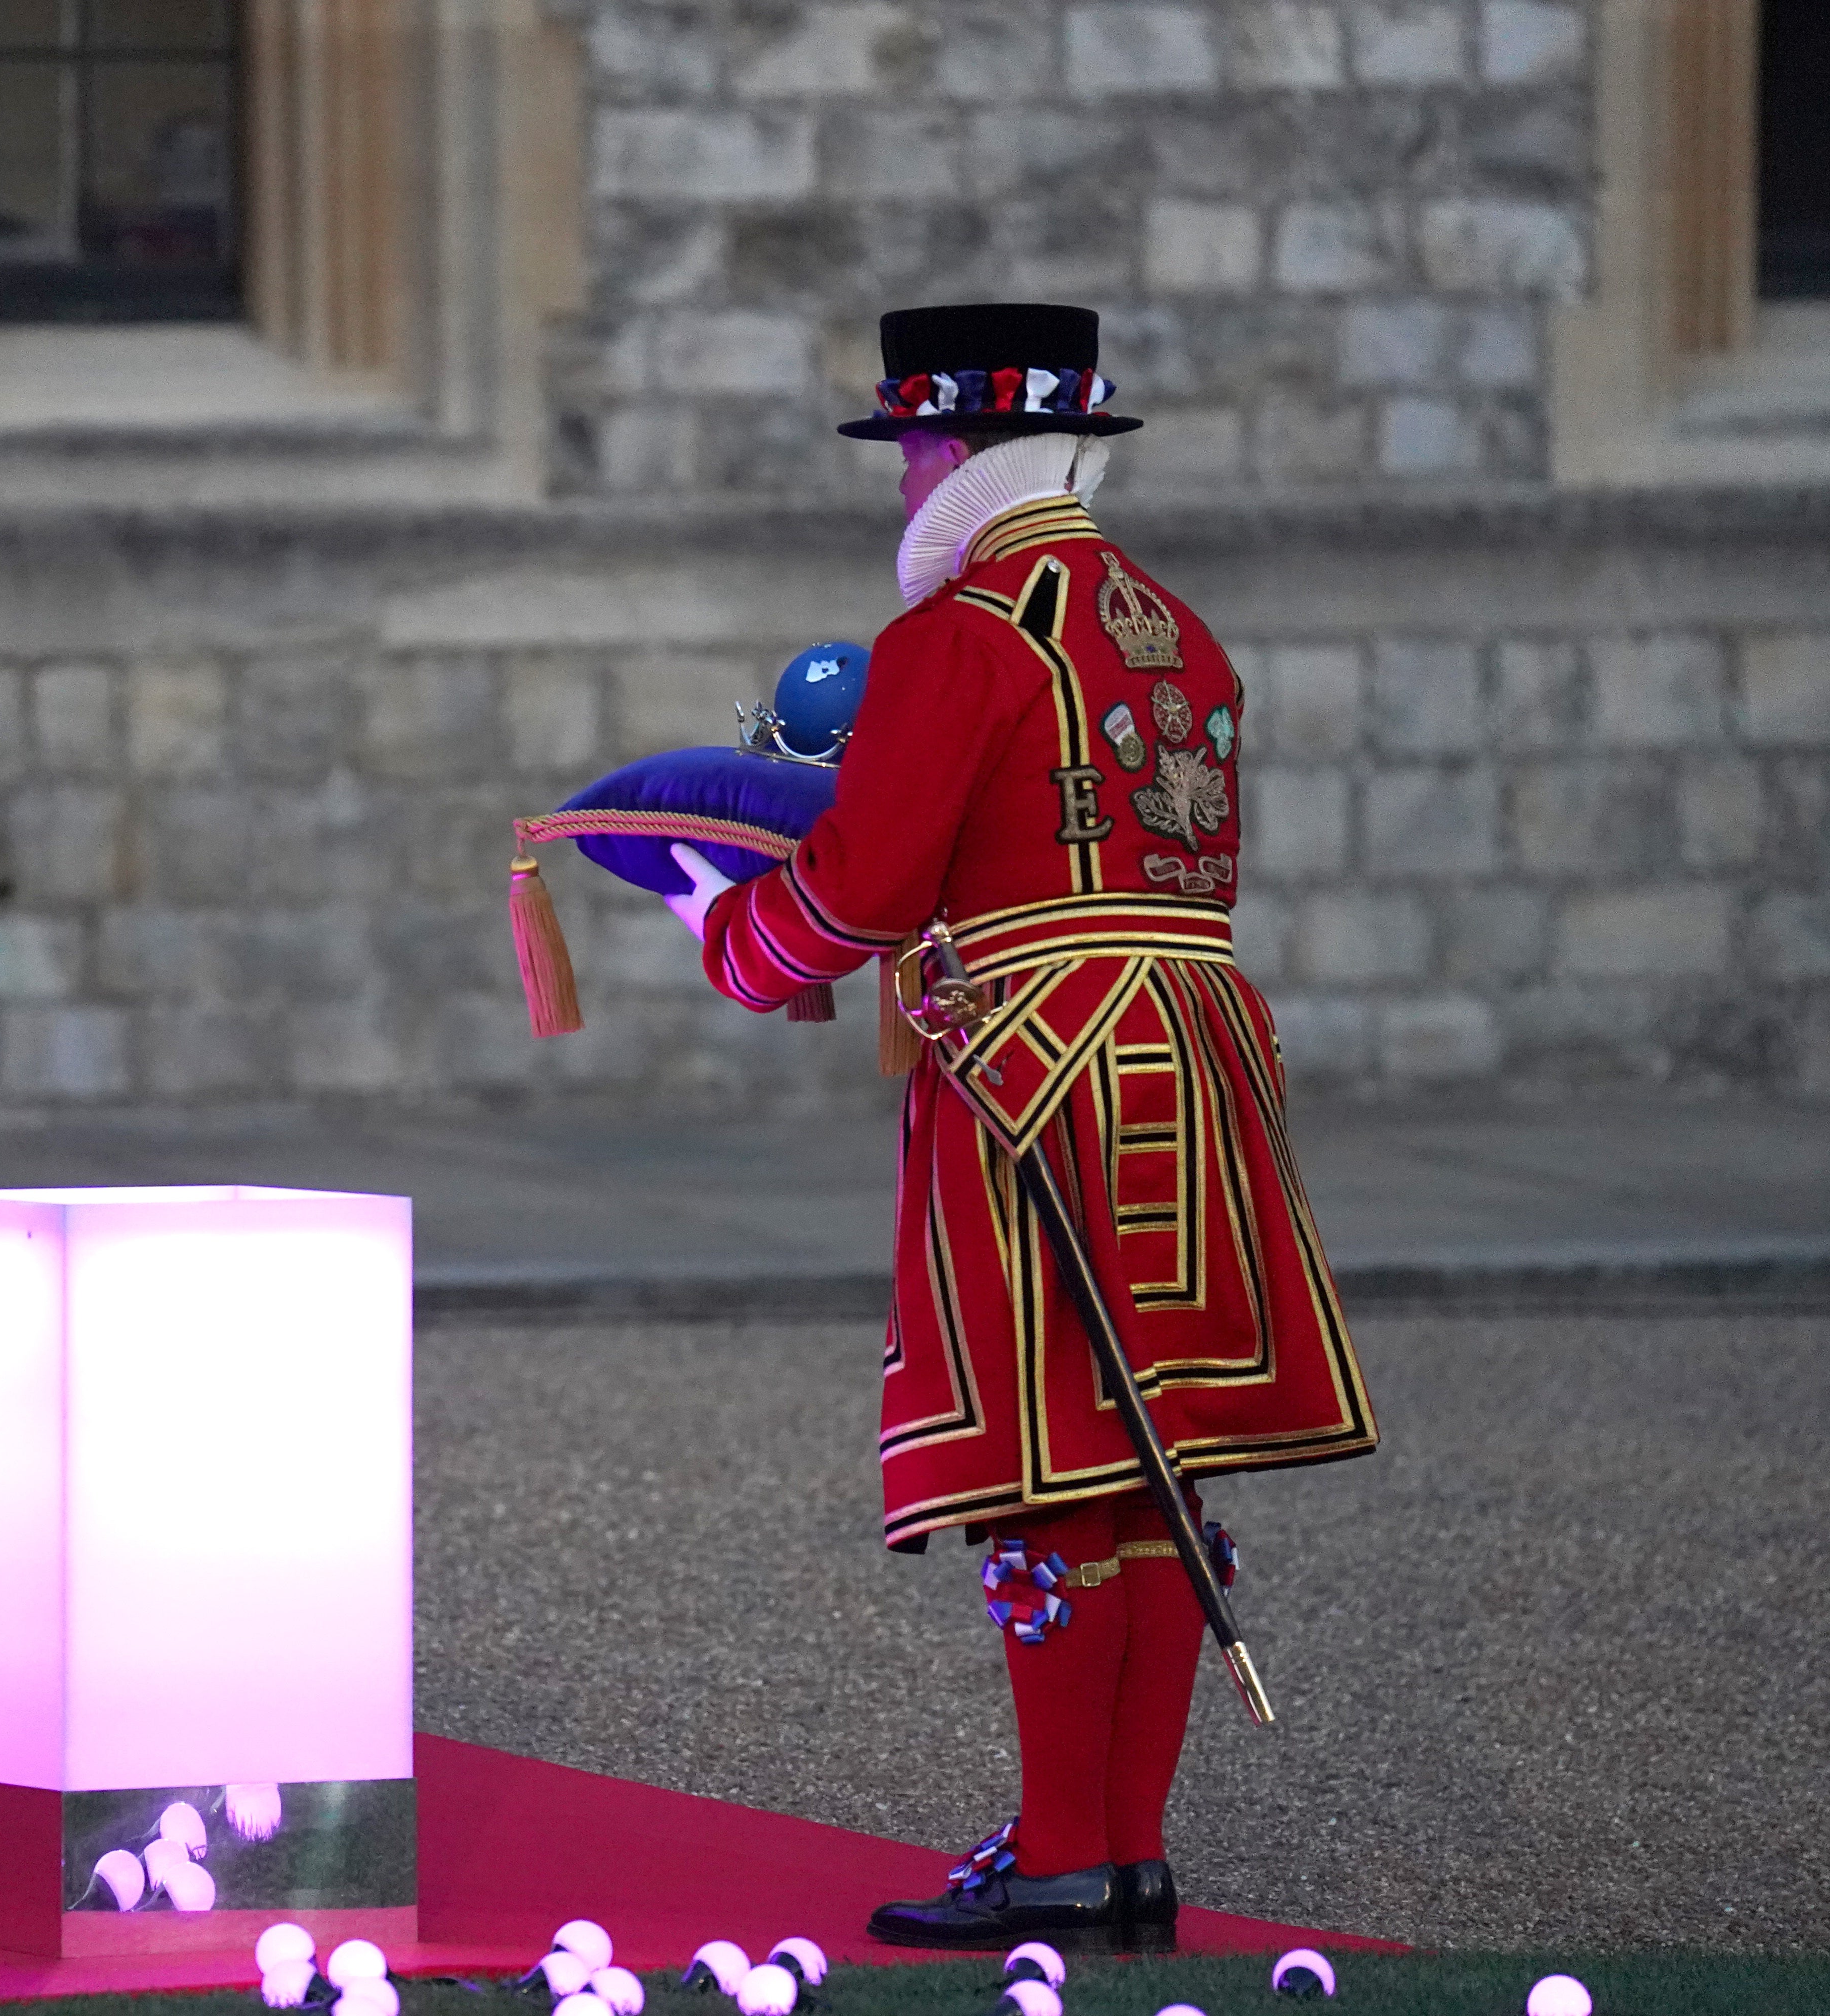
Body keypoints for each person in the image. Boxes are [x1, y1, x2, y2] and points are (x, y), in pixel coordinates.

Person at [662, 304, 1378, 1947]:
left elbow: (868, 883)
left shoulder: (956, 638)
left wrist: (726, 927)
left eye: (913, 446)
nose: (902, 474)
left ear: (962, 457)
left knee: (1054, 1459)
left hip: (1036, 1071)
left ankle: (1070, 1849)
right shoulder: (1177, 631)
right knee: (1154, 1462)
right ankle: (1125, 1854)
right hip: (1192, 1056)